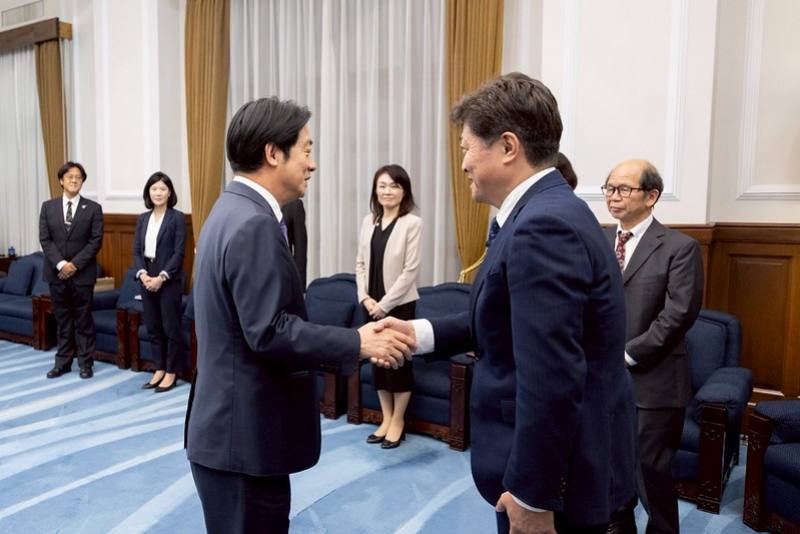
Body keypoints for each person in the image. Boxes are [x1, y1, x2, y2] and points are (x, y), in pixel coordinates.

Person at [378, 73, 637, 533]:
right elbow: (510, 320)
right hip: (558, 466)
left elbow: (553, 377)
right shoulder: (540, 212)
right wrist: (420, 333)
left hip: (552, 486)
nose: (462, 165)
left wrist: (534, 497)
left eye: (466, 148)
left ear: (508, 146)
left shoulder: (543, 227)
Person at [184, 96, 414, 534]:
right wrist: (359, 342)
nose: (312, 164)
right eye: (306, 149)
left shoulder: (227, 209)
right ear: (273, 153)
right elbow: (269, 332)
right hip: (242, 441)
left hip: (231, 433)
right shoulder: (253, 224)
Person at [602, 160, 704, 534]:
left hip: (654, 383)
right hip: (603, 381)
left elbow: (678, 315)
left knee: (651, 476)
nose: (614, 196)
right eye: (609, 188)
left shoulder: (680, 247)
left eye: (624, 189)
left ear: (652, 196)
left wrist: (628, 354)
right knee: (608, 468)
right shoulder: (598, 241)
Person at [356, 164, 422, 449]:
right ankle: (385, 418)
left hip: (399, 306)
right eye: (382, 185)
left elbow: (410, 271)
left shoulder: (412, 223)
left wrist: (384, 305)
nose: (387, 191)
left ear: (403, 190)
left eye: (393, 186)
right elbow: (359, 263)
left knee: (399, 363)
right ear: (375, 190)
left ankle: (398, 421)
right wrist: (365, 298)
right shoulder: (368, 220)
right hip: (370, 305)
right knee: (378, 364)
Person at [39, 162, 104, 380]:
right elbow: (45, 240)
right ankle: (63, 363)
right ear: (61, 180)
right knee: (63, 320)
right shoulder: (48, 207)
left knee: (84, 320)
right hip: (56, 274)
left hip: (82, 274)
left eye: (78, 177)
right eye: (70, 177)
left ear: (82, 181)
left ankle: (86, 363)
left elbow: (95, 241)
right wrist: (61, 264)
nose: (74, 180)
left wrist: (73, 265)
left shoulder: (93, 208)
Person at [132, 172, 186, 393]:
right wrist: (143, 274)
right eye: (154, 189)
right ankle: (159, 368)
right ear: (148, 192)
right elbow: (136, 251)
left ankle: (172, 371)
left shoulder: (177, 218)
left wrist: (162, 277)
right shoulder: (143, 218)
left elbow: (179, 252)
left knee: (170, 327)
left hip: (168, 279)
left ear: (169, 192)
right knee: (153, 327)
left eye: (162, 189)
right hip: (147, 276)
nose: (158, 193)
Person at [281, 198, 307, 288]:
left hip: (285, 278)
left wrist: (301, 289)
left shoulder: (294, 205)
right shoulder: (254, 203)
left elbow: (300, 253)